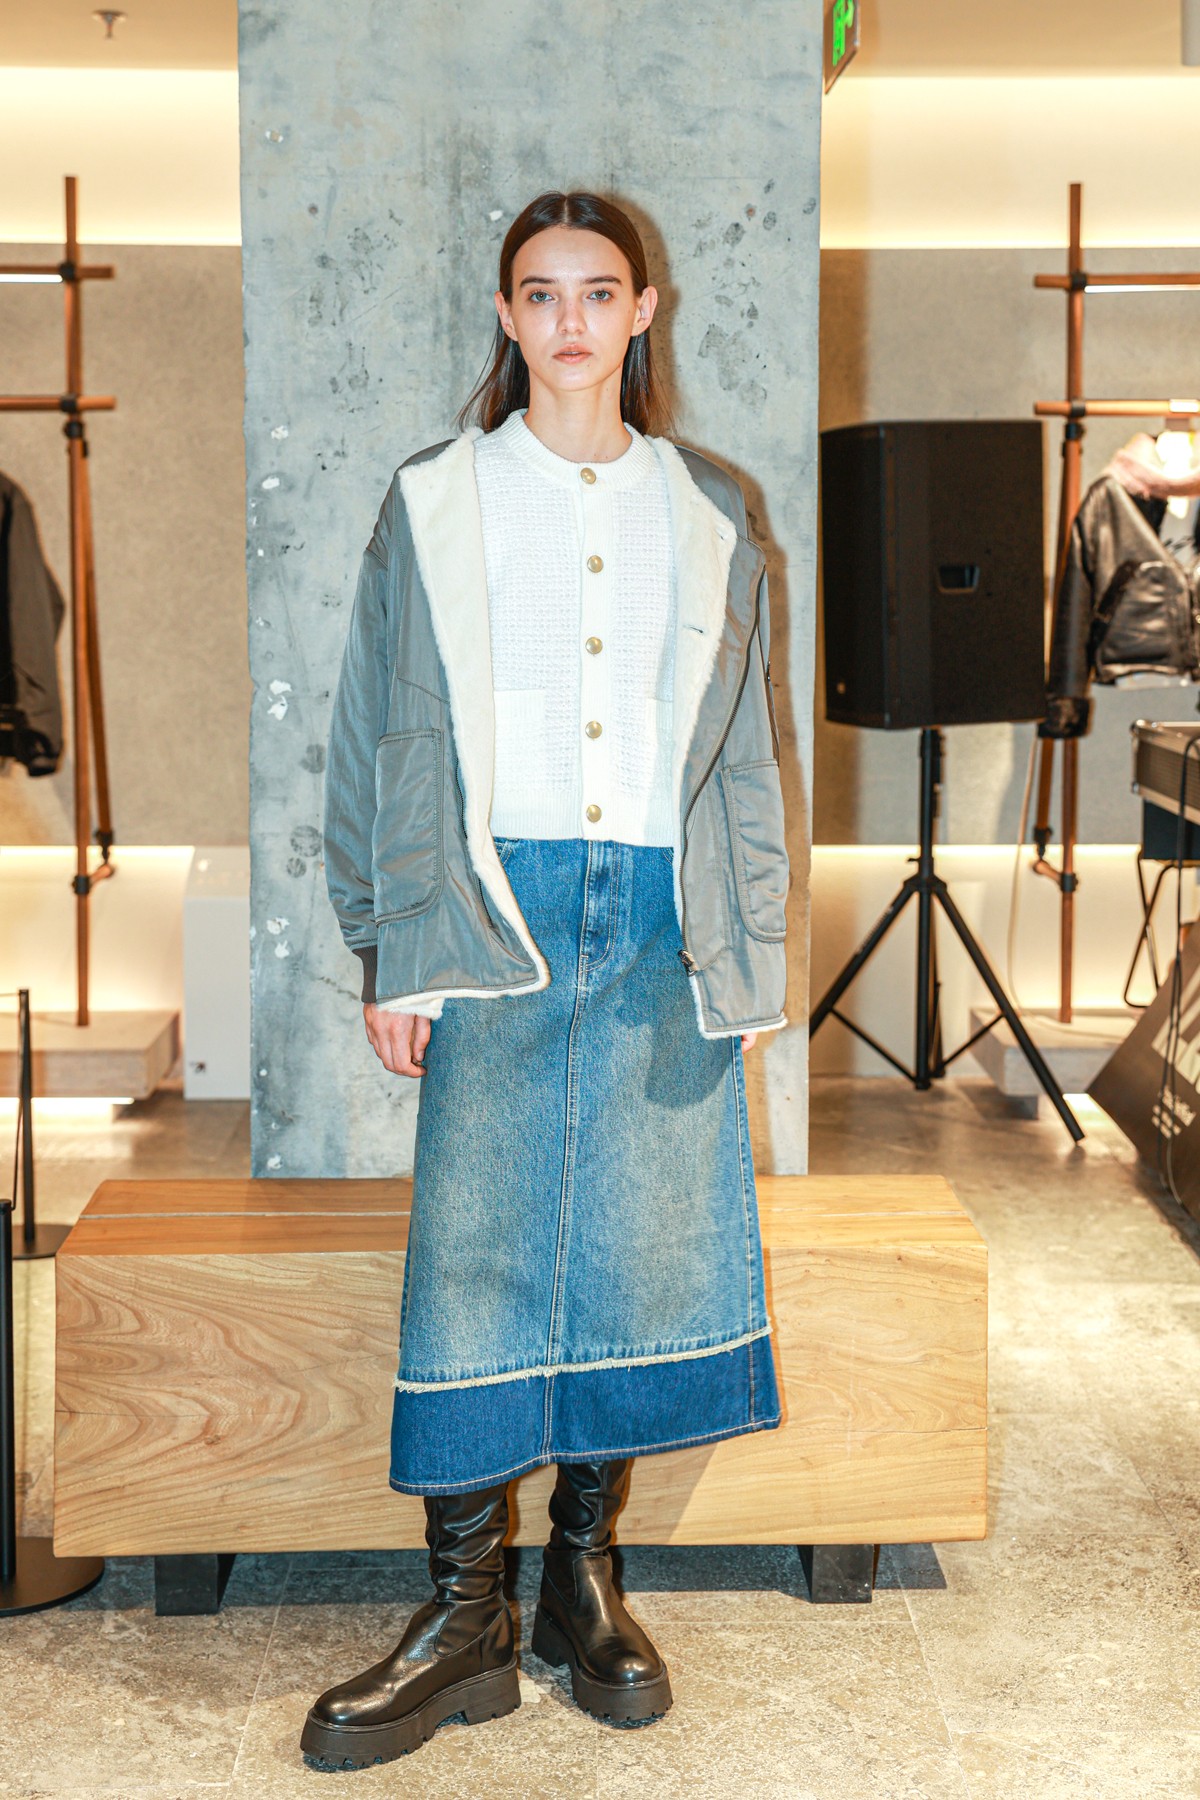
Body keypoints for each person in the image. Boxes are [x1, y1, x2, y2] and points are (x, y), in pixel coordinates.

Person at [306, 190, 791, 1772]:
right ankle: (464, 1617)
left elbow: (743, 760)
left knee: (633, 1253)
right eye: (539, 292)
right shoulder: (437, 496)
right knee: (476, 1257)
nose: (569, 320)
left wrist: (749, 953)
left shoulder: (710, 505)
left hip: (660, 915)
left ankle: (579, 1585)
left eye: (597, 291)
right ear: (507, 314)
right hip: (489, 905)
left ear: (642, 309)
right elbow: (377, 733)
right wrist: (391, 942)